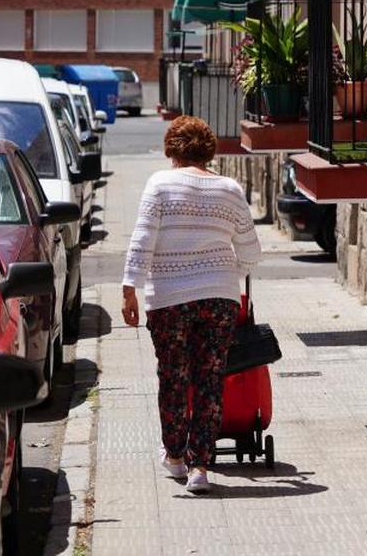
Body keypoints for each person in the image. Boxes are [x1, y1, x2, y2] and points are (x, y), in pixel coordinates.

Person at [121, 115, 262, 493]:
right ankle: (200, 466)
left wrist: (129, 288)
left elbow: (143, 238)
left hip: (168, 300)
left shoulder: (160, 185)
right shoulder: (229, 189)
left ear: (172, 151)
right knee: (209, 380)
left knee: (173, 377)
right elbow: (251, 251)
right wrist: (232, 272)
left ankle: (176, 456)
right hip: (218, 298)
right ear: (209, 151)